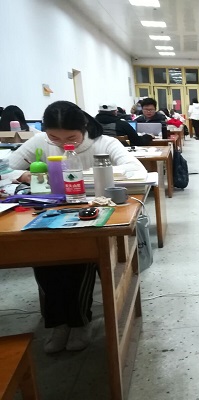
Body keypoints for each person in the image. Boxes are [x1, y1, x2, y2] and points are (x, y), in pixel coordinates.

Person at [8, 101, 146, 354]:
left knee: (78, 260)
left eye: (70, 138)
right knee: (45, 262)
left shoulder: (103, 143)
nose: (62, 144)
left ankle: (79, 322)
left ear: (83, 127)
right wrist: (24, 175)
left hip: (91, 214)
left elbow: (135, 169)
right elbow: (7, 167)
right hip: (48, 214)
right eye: (54, 137)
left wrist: (88, 175)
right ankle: (58, 324)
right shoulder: (39, 142)